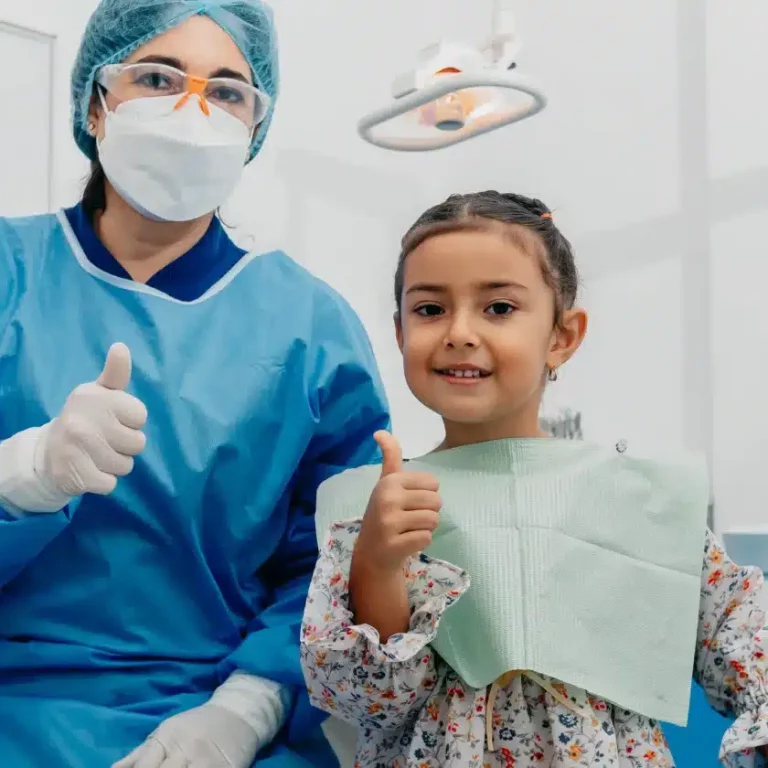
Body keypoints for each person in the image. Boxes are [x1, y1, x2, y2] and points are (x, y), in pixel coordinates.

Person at [0, 1, 388, 766]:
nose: (192, 109)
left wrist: (244, 713)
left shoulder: (310, 328)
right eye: (156, 76)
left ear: (254, 129)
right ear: (95, 104)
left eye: (228, 92)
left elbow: (336, 561)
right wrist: (24, 473)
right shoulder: (10, 274)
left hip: (219, 705)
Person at [299, 190, 768, 767]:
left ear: (562, 336)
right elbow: (368, 700)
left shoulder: (633, 499)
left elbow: (739, 631)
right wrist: (376, 563)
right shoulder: (374, 508)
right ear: (399, 332)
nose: (459, 332)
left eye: (498, 308)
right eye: (429, 309)